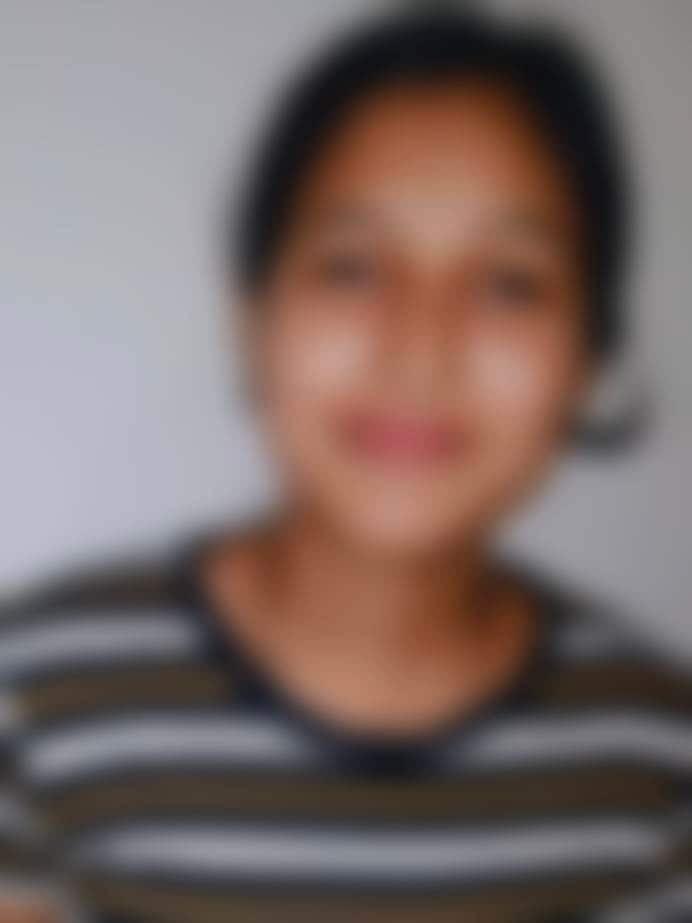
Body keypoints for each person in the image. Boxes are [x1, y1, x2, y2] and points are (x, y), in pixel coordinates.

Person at [0, 7, 689, 922]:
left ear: (589, 356)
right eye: (354, 266)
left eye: (509, 282)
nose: (420, 348)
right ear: (252, 318)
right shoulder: (32, 704)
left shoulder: (656, 760)